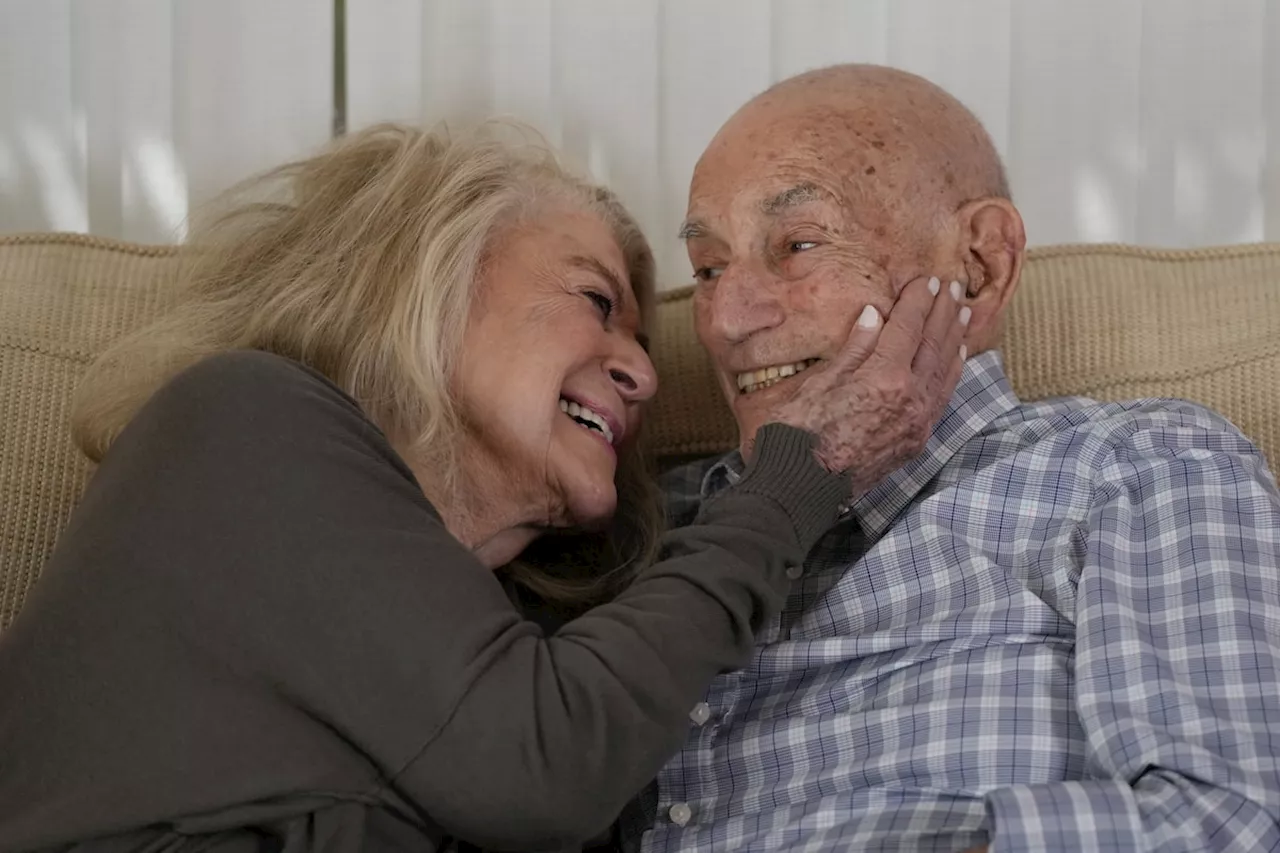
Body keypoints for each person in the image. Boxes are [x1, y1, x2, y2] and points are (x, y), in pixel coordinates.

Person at [0, 124, 968, 853]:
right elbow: (537, 766)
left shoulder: (512, 641)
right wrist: (797, 476)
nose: (639, 370)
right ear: (421, 279)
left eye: (638, 339)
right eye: (595, 301)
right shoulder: (236, 423)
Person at [621, 65, 1280, 852]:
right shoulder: (651, 523)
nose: (726, 319)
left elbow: (1231, 821)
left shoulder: (1138, 467)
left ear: (981, 263)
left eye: (799, 244)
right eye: (708, 269)